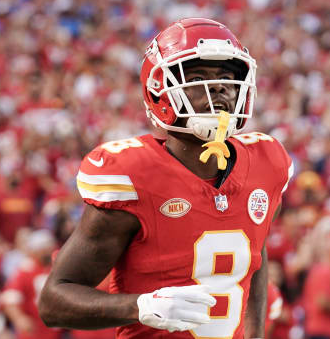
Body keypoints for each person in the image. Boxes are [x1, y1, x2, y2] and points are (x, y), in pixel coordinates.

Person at [38, 18, 293, 339]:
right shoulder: (135, 173)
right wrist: (141, 307)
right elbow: (54, 302)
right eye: (198, 77)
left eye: (227, 77)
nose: (218, 87)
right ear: (159, 90)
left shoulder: (266, 162)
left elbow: (258, 254)